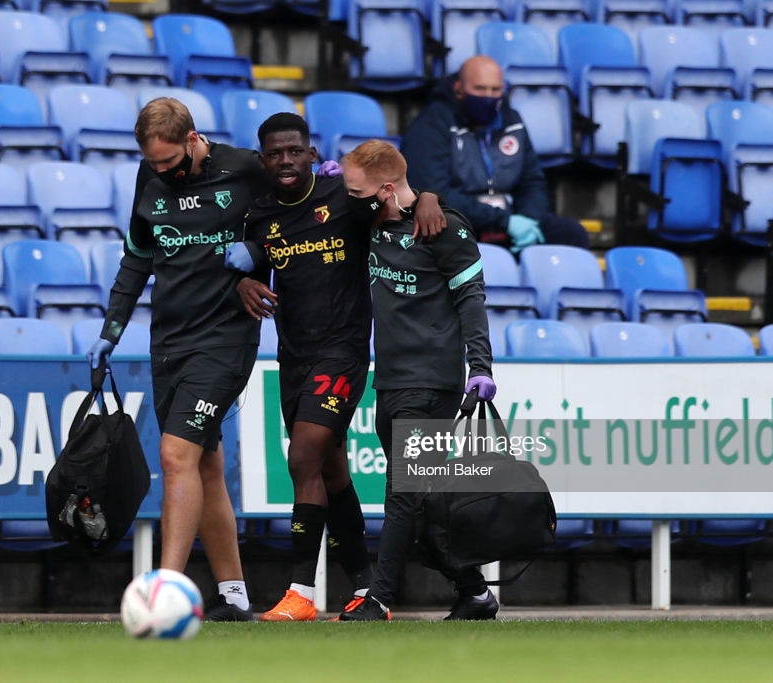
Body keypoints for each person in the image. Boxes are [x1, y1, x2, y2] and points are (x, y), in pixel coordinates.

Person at [227, 113, 447, 621]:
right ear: (263, 161)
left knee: (303, 457)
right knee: (330, 468)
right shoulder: (259, 215)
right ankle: (365, 588)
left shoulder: (342, 199)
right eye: (275, 154)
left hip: (343, 352)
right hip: (293, 355)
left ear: (310, 153)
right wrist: (243, 283)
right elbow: (256, 269)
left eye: (294, 151)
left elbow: (399, 196)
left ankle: (300, 592)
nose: (285, 161)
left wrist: (432, 198)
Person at [86, 97, 270, 622]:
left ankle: (166, 591)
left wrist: (258, 255)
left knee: (174, 455)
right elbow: (137, 258)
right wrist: (110, 332)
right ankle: (233, 597)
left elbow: (298, 220)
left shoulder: (247, 170)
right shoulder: (151, 178)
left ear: (193, 140)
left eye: (168, 161)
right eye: (152, 162)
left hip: (226, 339)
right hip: (169, 340)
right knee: (204, 463)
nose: (161, 170)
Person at [337, 140, 499, 622]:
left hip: (430, 381)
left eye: (356, 191)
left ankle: (379, 598)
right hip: (388, 380)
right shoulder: (371, 218)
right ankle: (473, 592)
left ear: (385, 189)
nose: (349, 199)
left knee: (403, 492)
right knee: (424, 497)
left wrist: (480, 367)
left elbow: (471, 298)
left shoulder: (442, 229)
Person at [400, 54, 589, 254]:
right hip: (461, 221)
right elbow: (433, 192)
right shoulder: (432, 124)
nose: (488, 97)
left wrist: (529, 220)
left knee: (570, 234)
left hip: (510, 219)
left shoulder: (512, 120)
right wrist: (503, 221)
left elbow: (532, 181)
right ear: (459, 88)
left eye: (495, 90)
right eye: (480, 89)